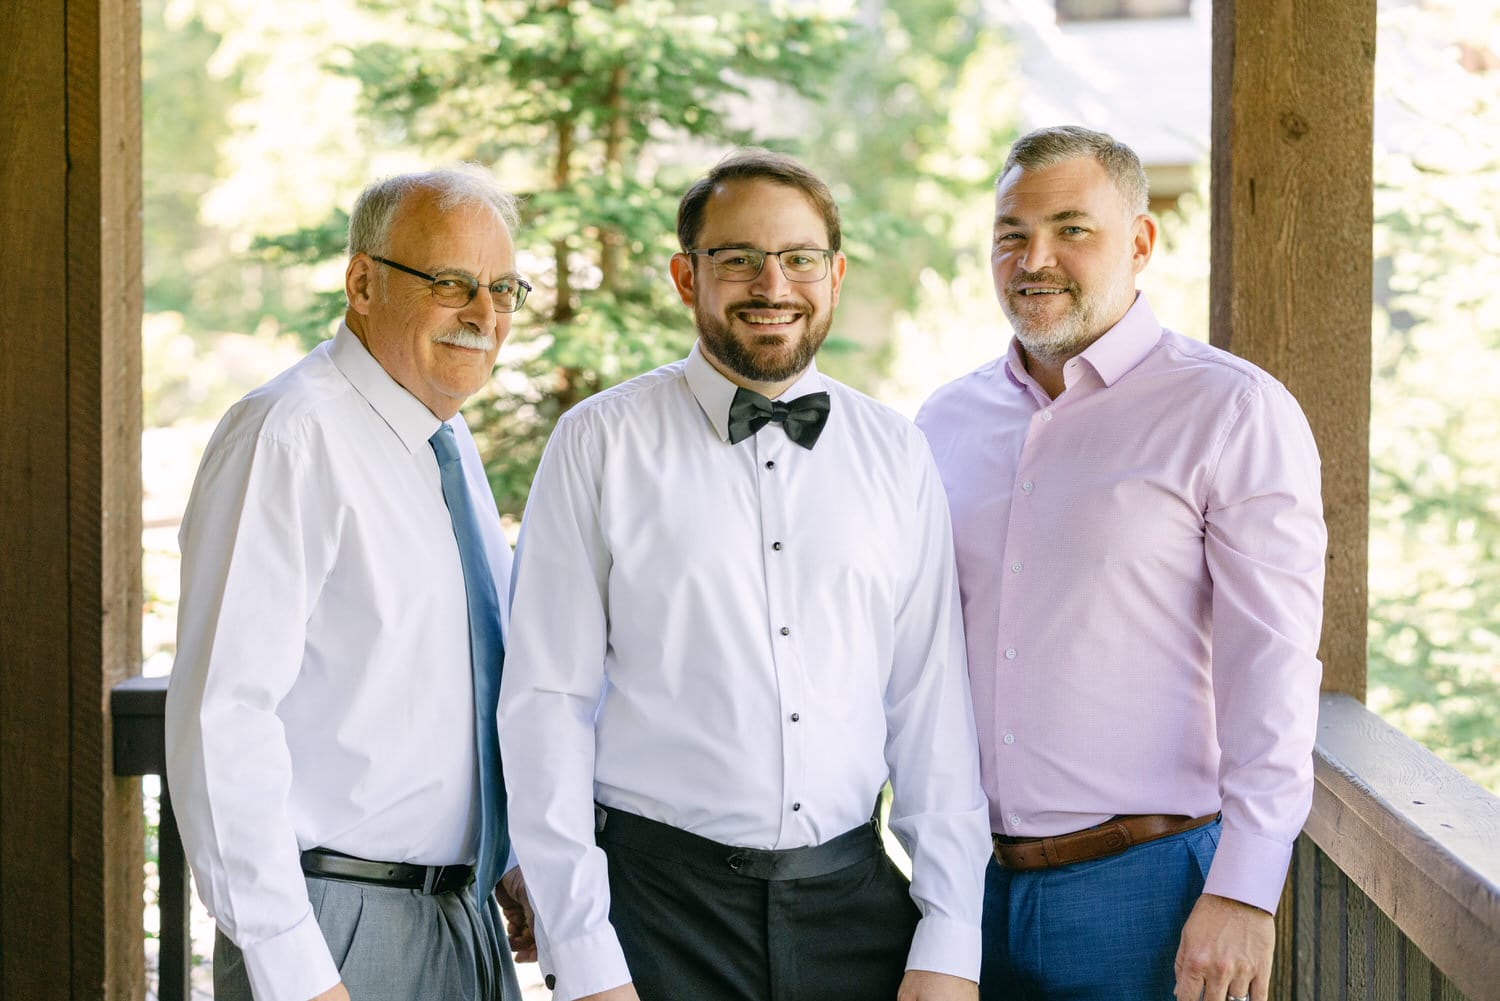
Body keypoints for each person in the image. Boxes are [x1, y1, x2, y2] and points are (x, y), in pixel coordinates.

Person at [496, 148, 991, 1001]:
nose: (773, 284)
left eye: (799, 258)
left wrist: (949, 936)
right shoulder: (598, 443)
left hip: (856, 910)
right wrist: (582, 952)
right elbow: (546, 705)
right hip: (655, 918)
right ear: (689, 278)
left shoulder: (895, 452)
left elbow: (930, 703)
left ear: (833, 275)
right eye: (738, 259)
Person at [915, 125, 1327, 1001]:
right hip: (962, 892)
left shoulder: (1230, 408)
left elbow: (1275, 667)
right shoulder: (943, 423)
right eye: (1011, 233)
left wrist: (1245, 890)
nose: (1036, 258)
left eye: (1072, 229)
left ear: (1140, 242)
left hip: (1151, 888)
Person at [165, 166, 532, 1001]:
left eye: (504, 288)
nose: (484, 313)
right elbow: (223, 714)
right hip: (337, 931)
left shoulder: (446, 439)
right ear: (362, 283)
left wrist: (506, 862)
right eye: (450, 283)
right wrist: (296, 969)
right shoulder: (289, 433)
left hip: (459, 918)